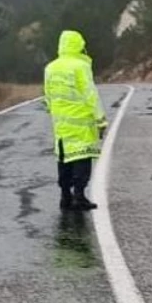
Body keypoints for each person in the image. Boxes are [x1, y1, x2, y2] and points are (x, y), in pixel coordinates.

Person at [43, 30, 108, 211]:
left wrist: (55, 112)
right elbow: (90, 94)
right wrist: (100, 119)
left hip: (61, 124)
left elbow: (47, 95)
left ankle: (65, 196)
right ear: (79, 45)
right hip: (81, 123)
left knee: (64, 159)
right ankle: (79, 196)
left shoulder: (50, 68)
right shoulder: (81, 66)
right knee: (82, 158)